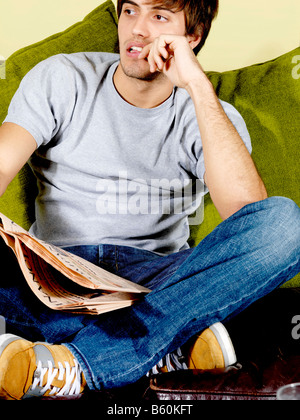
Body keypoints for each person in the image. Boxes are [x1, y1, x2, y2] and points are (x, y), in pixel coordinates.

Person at [0, 0, 299, 400]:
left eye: (159, 16)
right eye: (130, 11)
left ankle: (73, 363)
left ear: (192, 36)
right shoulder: (63, 76)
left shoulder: (210, 113)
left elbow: (248, 216)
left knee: (284, 224)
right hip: (51, 271)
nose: (137, 29)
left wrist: (195, 85)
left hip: (154, 278)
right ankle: (166, 345)